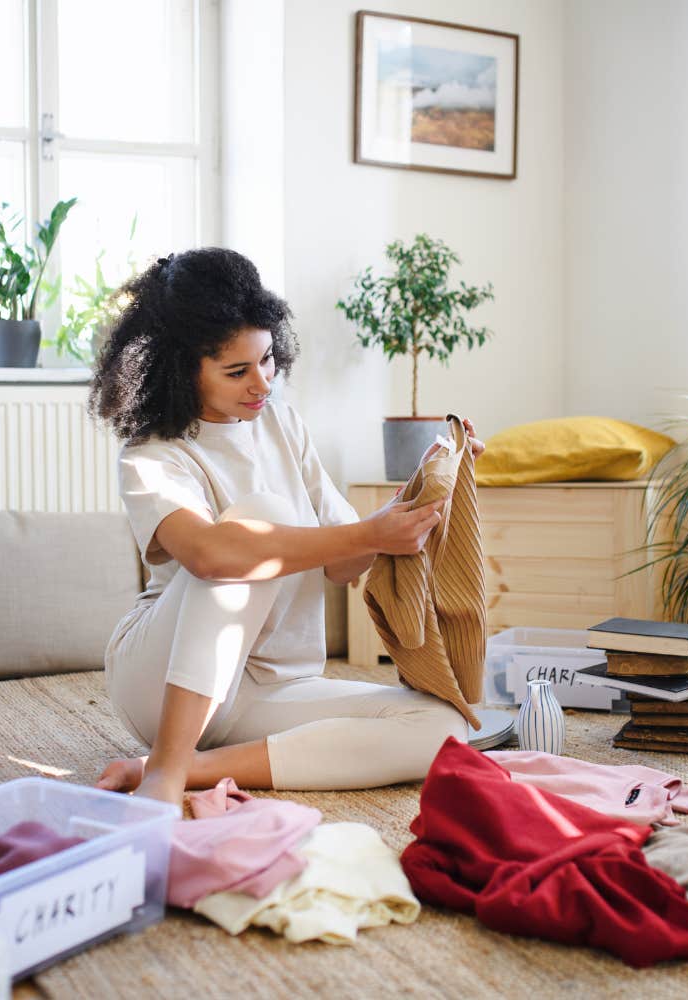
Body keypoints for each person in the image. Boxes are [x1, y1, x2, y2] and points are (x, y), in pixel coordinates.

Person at [89, 248, 485, 806]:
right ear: (180, 370)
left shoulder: (283, 425)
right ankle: (166, 769)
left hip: (273, 688)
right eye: (237, 371)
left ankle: (191, 768)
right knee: (260, 522)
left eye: (268, 359)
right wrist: (369, 534)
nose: (263, 383)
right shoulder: (151, 453)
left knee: (445, 727)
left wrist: (422, 492)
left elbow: (344, 562)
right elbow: (210, 555)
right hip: (161, 685)